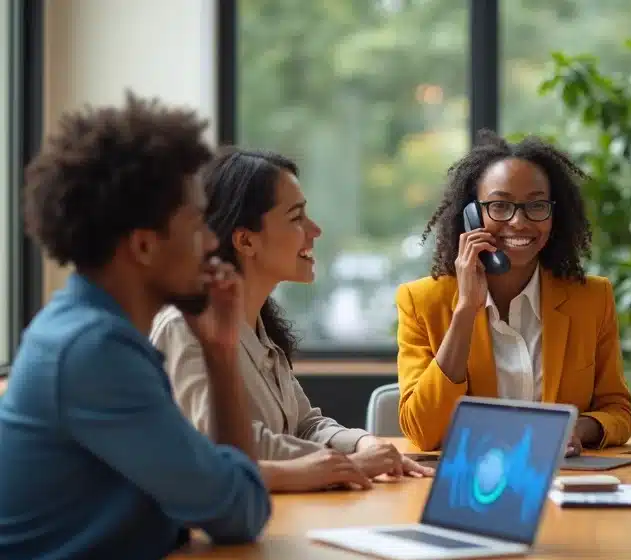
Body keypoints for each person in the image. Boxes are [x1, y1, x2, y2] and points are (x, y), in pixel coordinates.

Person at [0, 94, 272, 560]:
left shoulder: (90, 330)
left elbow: (236, 506)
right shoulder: (94, 351)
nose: (212, 243)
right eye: (196, 225)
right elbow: (239, 510)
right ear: (144, 245)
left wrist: (220, 349)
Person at [151, 148, 432, 493]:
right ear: (245, 240)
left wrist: (363, 444)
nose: (314, 230)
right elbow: (226, 444)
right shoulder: (185, 327)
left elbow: (304, 424)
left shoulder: (260, 330)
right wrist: (341, 465)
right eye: (296, 217)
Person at [396, 130, 631, 452]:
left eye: (536, 206)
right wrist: (466, 309)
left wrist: (576, 428)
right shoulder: (423, 302)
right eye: (500, 206)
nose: (519, 222)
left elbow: (617, 411)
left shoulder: (591, 299)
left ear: (554, 213)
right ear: (472, 216)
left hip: (563, 478)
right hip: (470, 482)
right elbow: (423, 432)